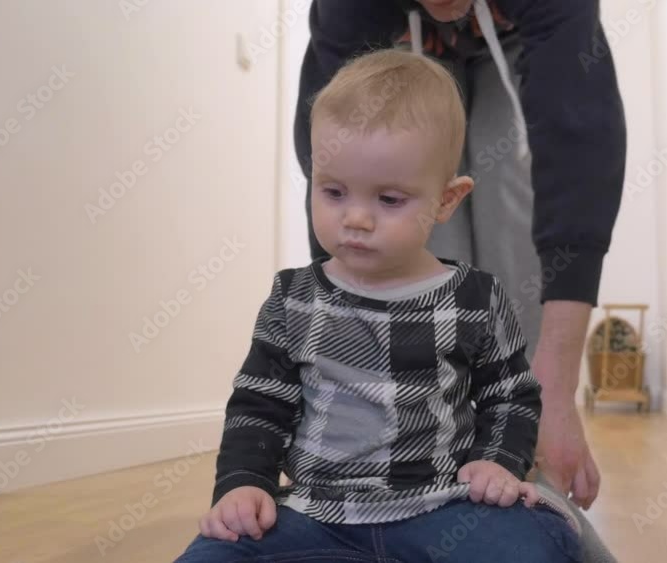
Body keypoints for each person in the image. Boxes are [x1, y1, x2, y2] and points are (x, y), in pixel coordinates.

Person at [174, 49, 584, 562]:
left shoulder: (476, 299)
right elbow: (260, 404)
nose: (356, 219)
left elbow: (510, 396)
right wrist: (243, 483)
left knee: (539, 545)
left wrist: (497, 462)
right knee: (213, 553)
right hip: (317, 512)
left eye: (389, 200)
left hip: (443, 507)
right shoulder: (292, 298)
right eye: (334, 192)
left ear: (446, 200)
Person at [294, 0, 627, 513]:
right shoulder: (350, 12)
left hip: (512, 45)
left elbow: (576, 139)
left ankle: (517, 444)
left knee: (508, 192)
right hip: (403, 47)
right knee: (413, 232)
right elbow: (334, 164)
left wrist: (555, 395)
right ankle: (427, 447)